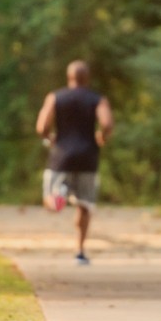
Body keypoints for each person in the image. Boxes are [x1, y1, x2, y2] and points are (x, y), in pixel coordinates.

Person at [35, 60, 114, 264]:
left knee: (51, 199)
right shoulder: (97, 99)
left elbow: (42, 125)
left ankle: (59, 197)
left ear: (69, 77)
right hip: (88, 157)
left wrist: (49, 138)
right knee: (84, 205)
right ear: (87, 78)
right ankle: (79, 251)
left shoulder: (56, 97)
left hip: (61, 156)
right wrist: (101, 138)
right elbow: (106, 123)